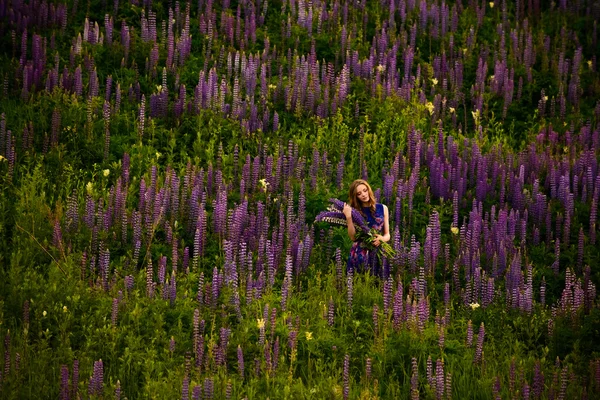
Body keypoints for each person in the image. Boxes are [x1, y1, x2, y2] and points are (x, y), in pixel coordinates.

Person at [342, 179, 390, 275]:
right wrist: (348, 217)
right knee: (358, 283)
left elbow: (387, 234)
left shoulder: (383, 208)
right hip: (359, 253)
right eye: (359, 193)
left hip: (378, 252)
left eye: (365, 190)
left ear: (369, 190)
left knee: (379, 284)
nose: (363, 195)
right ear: (355, 197)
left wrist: (382, 239)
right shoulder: (354, 211)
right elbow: (353, 237)